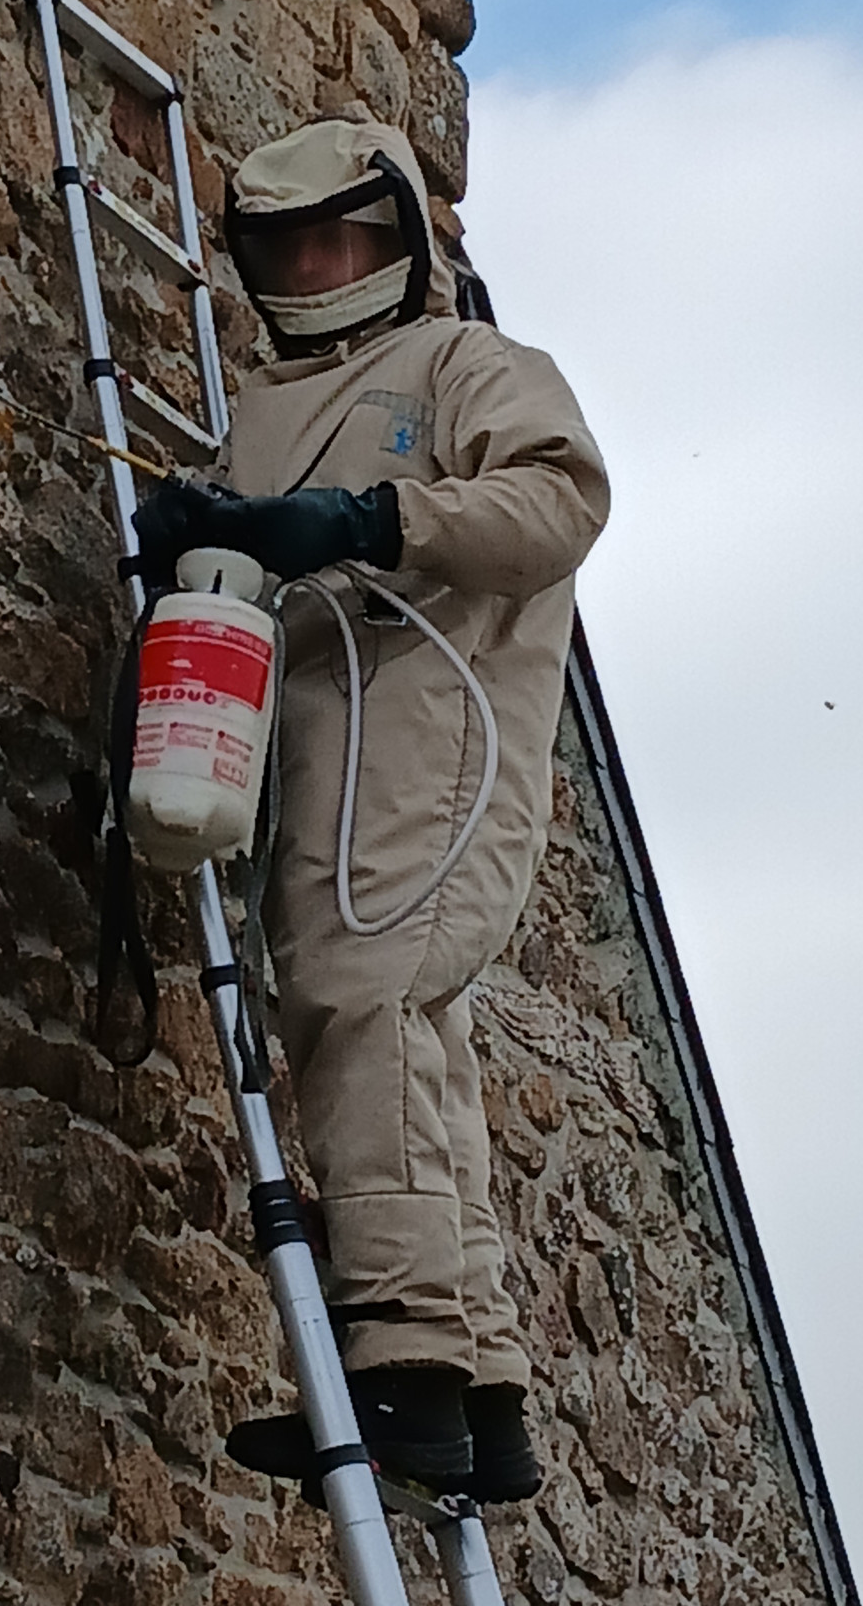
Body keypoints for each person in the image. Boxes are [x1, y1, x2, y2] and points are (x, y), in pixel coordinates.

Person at [132, 107, 609, 1501]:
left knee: (364, 998)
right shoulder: (266, 410)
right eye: (289, 247)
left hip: (429, 741)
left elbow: (561, 501)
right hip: (320, 759)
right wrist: (208, 537)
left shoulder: (468, 364)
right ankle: (480, 1389)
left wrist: (376, 518)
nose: (317, 267)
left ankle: (401, 1369)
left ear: (394, 235)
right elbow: (263, 570)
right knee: (411, 1036)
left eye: (340, 239)